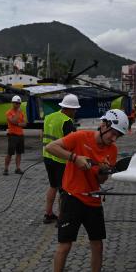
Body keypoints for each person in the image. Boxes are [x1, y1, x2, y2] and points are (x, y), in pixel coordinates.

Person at [46, 109, 128, 272]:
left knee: (97, 245)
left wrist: (102, 172)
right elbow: (51, 147)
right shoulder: (80, 137)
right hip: (72, 198)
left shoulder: (112, 150)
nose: (114, 138)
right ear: (104, 125)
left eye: (118, 135)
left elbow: (101, 180)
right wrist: (74, 158)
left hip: (93, 199)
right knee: (64, 246)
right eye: (113, 132)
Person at [42, 94, 79, 224]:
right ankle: (62, 218)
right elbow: (72, 143)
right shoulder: (66, 121)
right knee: (64, 190)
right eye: (74, 109)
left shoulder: (48, 117)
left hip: (47, 157)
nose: (75, 112)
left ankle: (48, 213)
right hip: (61, 161)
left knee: (53, 185)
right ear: (68, 108)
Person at [4, 95, 26, 175]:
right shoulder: (9, 112)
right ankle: (6, 168)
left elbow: (24, 124)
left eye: (19, 103)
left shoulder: (21, 112)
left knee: (19, 153)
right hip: (12, 135)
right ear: (12, 103)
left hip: (20, 135)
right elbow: (13, 121)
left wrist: (18, 124)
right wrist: (17, 113)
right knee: (10, 153)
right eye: (16, 103)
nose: (18, 105)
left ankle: (17, 168)